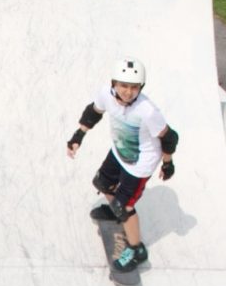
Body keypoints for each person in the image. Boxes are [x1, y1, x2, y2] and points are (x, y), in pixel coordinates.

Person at [67, 58, 179, 273]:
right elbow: (93, 113)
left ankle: (137, 250)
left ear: (141, 88)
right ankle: (115, 210)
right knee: (102, 182)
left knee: (125, 207)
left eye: (134, 87)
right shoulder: (105, 95)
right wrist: (77, 136)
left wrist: (167, 164)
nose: (128, 92)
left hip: (140, 165)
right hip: (120, 151)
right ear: (113, 84)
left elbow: (169, 138)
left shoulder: (147, 110)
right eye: (124, 86)